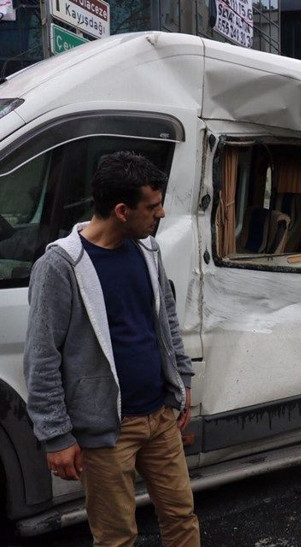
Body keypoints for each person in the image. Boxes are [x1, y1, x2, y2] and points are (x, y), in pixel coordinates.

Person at [23, 151, 199, 546]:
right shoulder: (61, 266)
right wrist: (56, 436)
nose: (161, 213)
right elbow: (42, 358)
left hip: (159, 416)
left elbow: (166, 321)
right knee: (116, 536)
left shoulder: (148, 250)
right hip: (106, 431)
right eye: (152, 207)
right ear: (122, 210)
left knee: (181, 516)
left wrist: (182, 377)